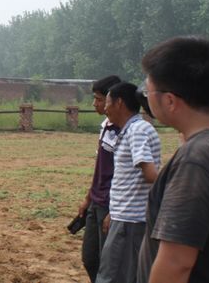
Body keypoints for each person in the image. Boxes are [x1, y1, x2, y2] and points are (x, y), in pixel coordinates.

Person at [137, 36, 209, 283]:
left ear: (170, 101)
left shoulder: (196, 159)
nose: (146, 97)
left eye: (148, 91)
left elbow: (177, 262)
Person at [95, 82, 162, 283]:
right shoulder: (130, 130)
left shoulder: (137, 130)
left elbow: (150, 174)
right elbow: (128, 178)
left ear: (119, 103)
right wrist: (113, 213)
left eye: (107, 102)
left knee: (112, 276)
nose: (104, 107)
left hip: (131, 222)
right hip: (124, 217)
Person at [78, 75, 121, 282]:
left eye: (99, 99)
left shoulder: (128, 131)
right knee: (90, 258)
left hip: (110, 205)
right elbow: (100, 167)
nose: (95, 104)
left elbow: (126, 174)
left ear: (115, 100)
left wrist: (115, 209)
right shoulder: (105, 126)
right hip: (97, 201)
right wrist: (88, 197)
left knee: (108, 262)